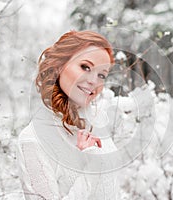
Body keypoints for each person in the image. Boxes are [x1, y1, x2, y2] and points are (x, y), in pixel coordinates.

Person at [17, 30, 120, 199]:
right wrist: (91, 163)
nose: (94, 81)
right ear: (60, 66)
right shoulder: (33, 140)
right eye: (85, 67)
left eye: (101, 75)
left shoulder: (97, 126)